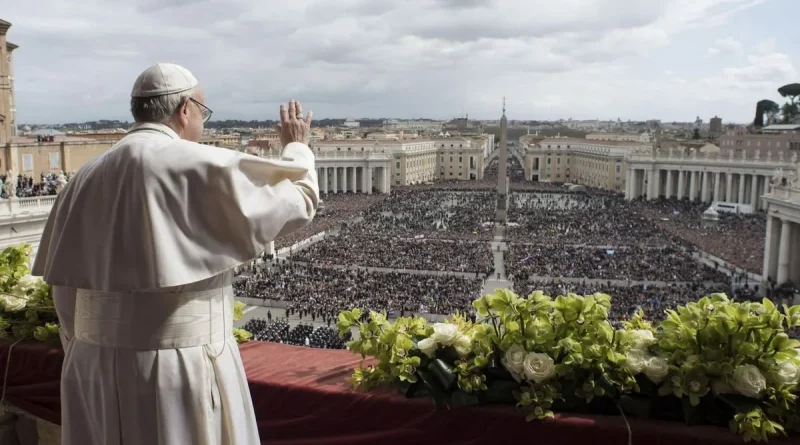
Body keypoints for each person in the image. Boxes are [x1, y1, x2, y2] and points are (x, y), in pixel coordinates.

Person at [32, 63, 319, 445]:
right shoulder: (198, 162)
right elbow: (298, 200)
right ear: (185, 109)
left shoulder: (82, 178)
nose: (202, 122)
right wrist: (297, 146)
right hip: (179, 366)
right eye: (204, 112)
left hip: (91, 368)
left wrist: (91, 346)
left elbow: (65, 290)